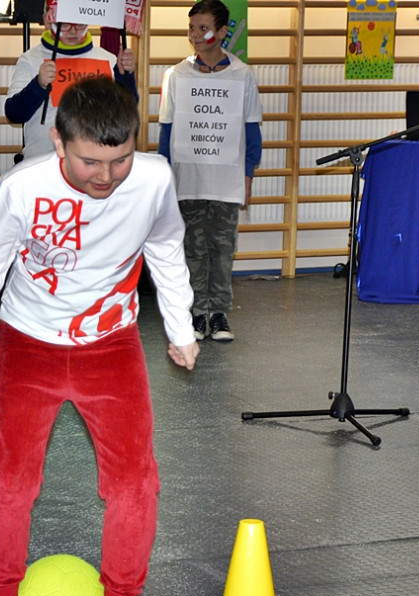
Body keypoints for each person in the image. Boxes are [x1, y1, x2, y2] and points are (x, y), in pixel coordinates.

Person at [0, 78, 198, 596]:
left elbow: (166, 247)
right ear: (57, 142)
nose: (106, 175)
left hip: (110, 346)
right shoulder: (19, 189)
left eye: (120, 159)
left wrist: (181, 327)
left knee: (135, 484)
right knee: (8, 485)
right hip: (27, 344)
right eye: (91, 160)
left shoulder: (154, 179)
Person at [158, 0, 262, 344]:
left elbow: (252, 132)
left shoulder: (243, 75)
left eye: (203, 28)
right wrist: (164, 176)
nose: (195, 35)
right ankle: (196, 312)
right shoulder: (176, 75)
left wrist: (248, 174)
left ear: (221, 32)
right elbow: (166, 132)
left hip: (227, 179)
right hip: (188, 178)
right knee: (192, 247)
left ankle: (218, 313)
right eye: (191, 28)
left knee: (222, 246)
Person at [5, 0, 137, 162]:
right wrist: (38, 85)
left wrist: (126, 76)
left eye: (80, 24)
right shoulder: (31, 60)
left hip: (92, 165)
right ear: (48, 20)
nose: (73, 31)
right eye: (65, 24)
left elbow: (126, 112)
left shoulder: (108, 59)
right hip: (43, 165)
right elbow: (14, 114)